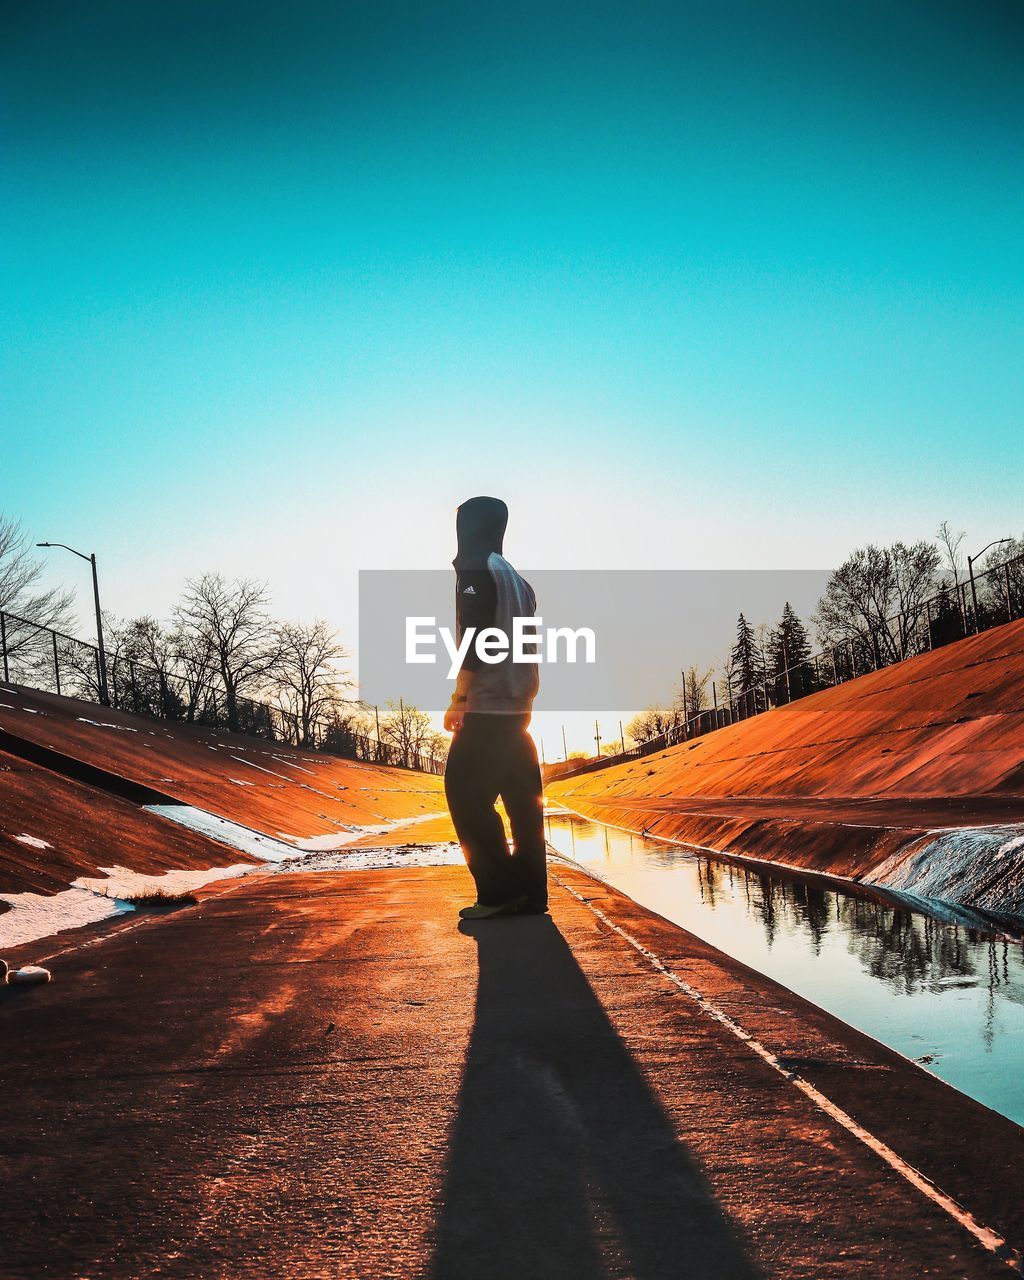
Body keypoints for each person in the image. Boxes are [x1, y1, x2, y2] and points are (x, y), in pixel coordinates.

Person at [443, 496, 547, 920]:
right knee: (525, 808)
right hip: (518, 711)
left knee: (465, 797)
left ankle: (499, 892)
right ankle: (530, 895)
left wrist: (459, 697)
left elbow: (476, 636)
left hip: (485, 708)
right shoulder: (518, 579)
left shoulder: (475, 569)